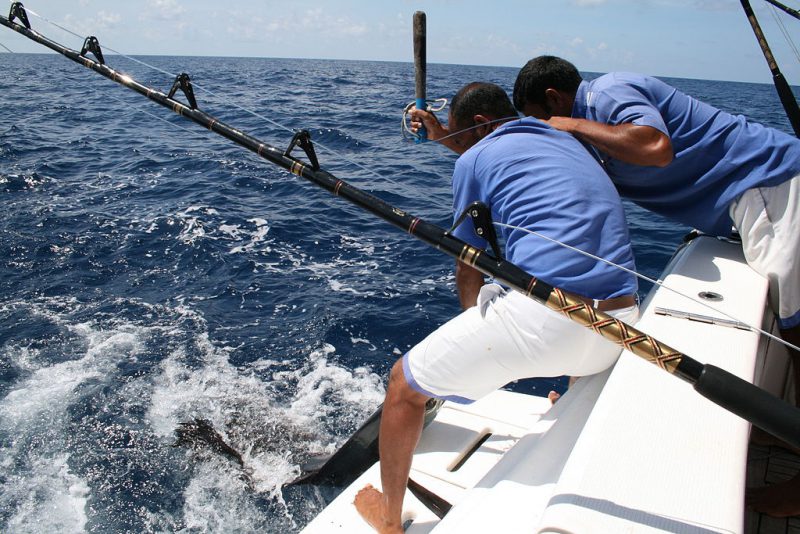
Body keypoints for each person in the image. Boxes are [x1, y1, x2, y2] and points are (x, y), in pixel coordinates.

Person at [512, 55, 800, 518]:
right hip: (747, 206)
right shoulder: (592, 138)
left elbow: (653, 146)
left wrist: (569, 124)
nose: (550, 131)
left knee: (799, 329)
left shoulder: (607, 93)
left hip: (773, 185)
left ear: (554, 100)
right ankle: (788, 428)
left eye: (543, 119)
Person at [353, 82, 639, 533]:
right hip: (619, 328)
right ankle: (564, 392)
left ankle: (388, 519)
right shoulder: (567, 139)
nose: (457, 145)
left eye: (459, 135)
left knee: (403, 385)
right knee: (572, 273)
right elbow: (494, 157)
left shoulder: (472, 158)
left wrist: (475, 332)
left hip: (548, 327)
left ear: (482, 125)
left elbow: (469, 264)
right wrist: (446, 135)